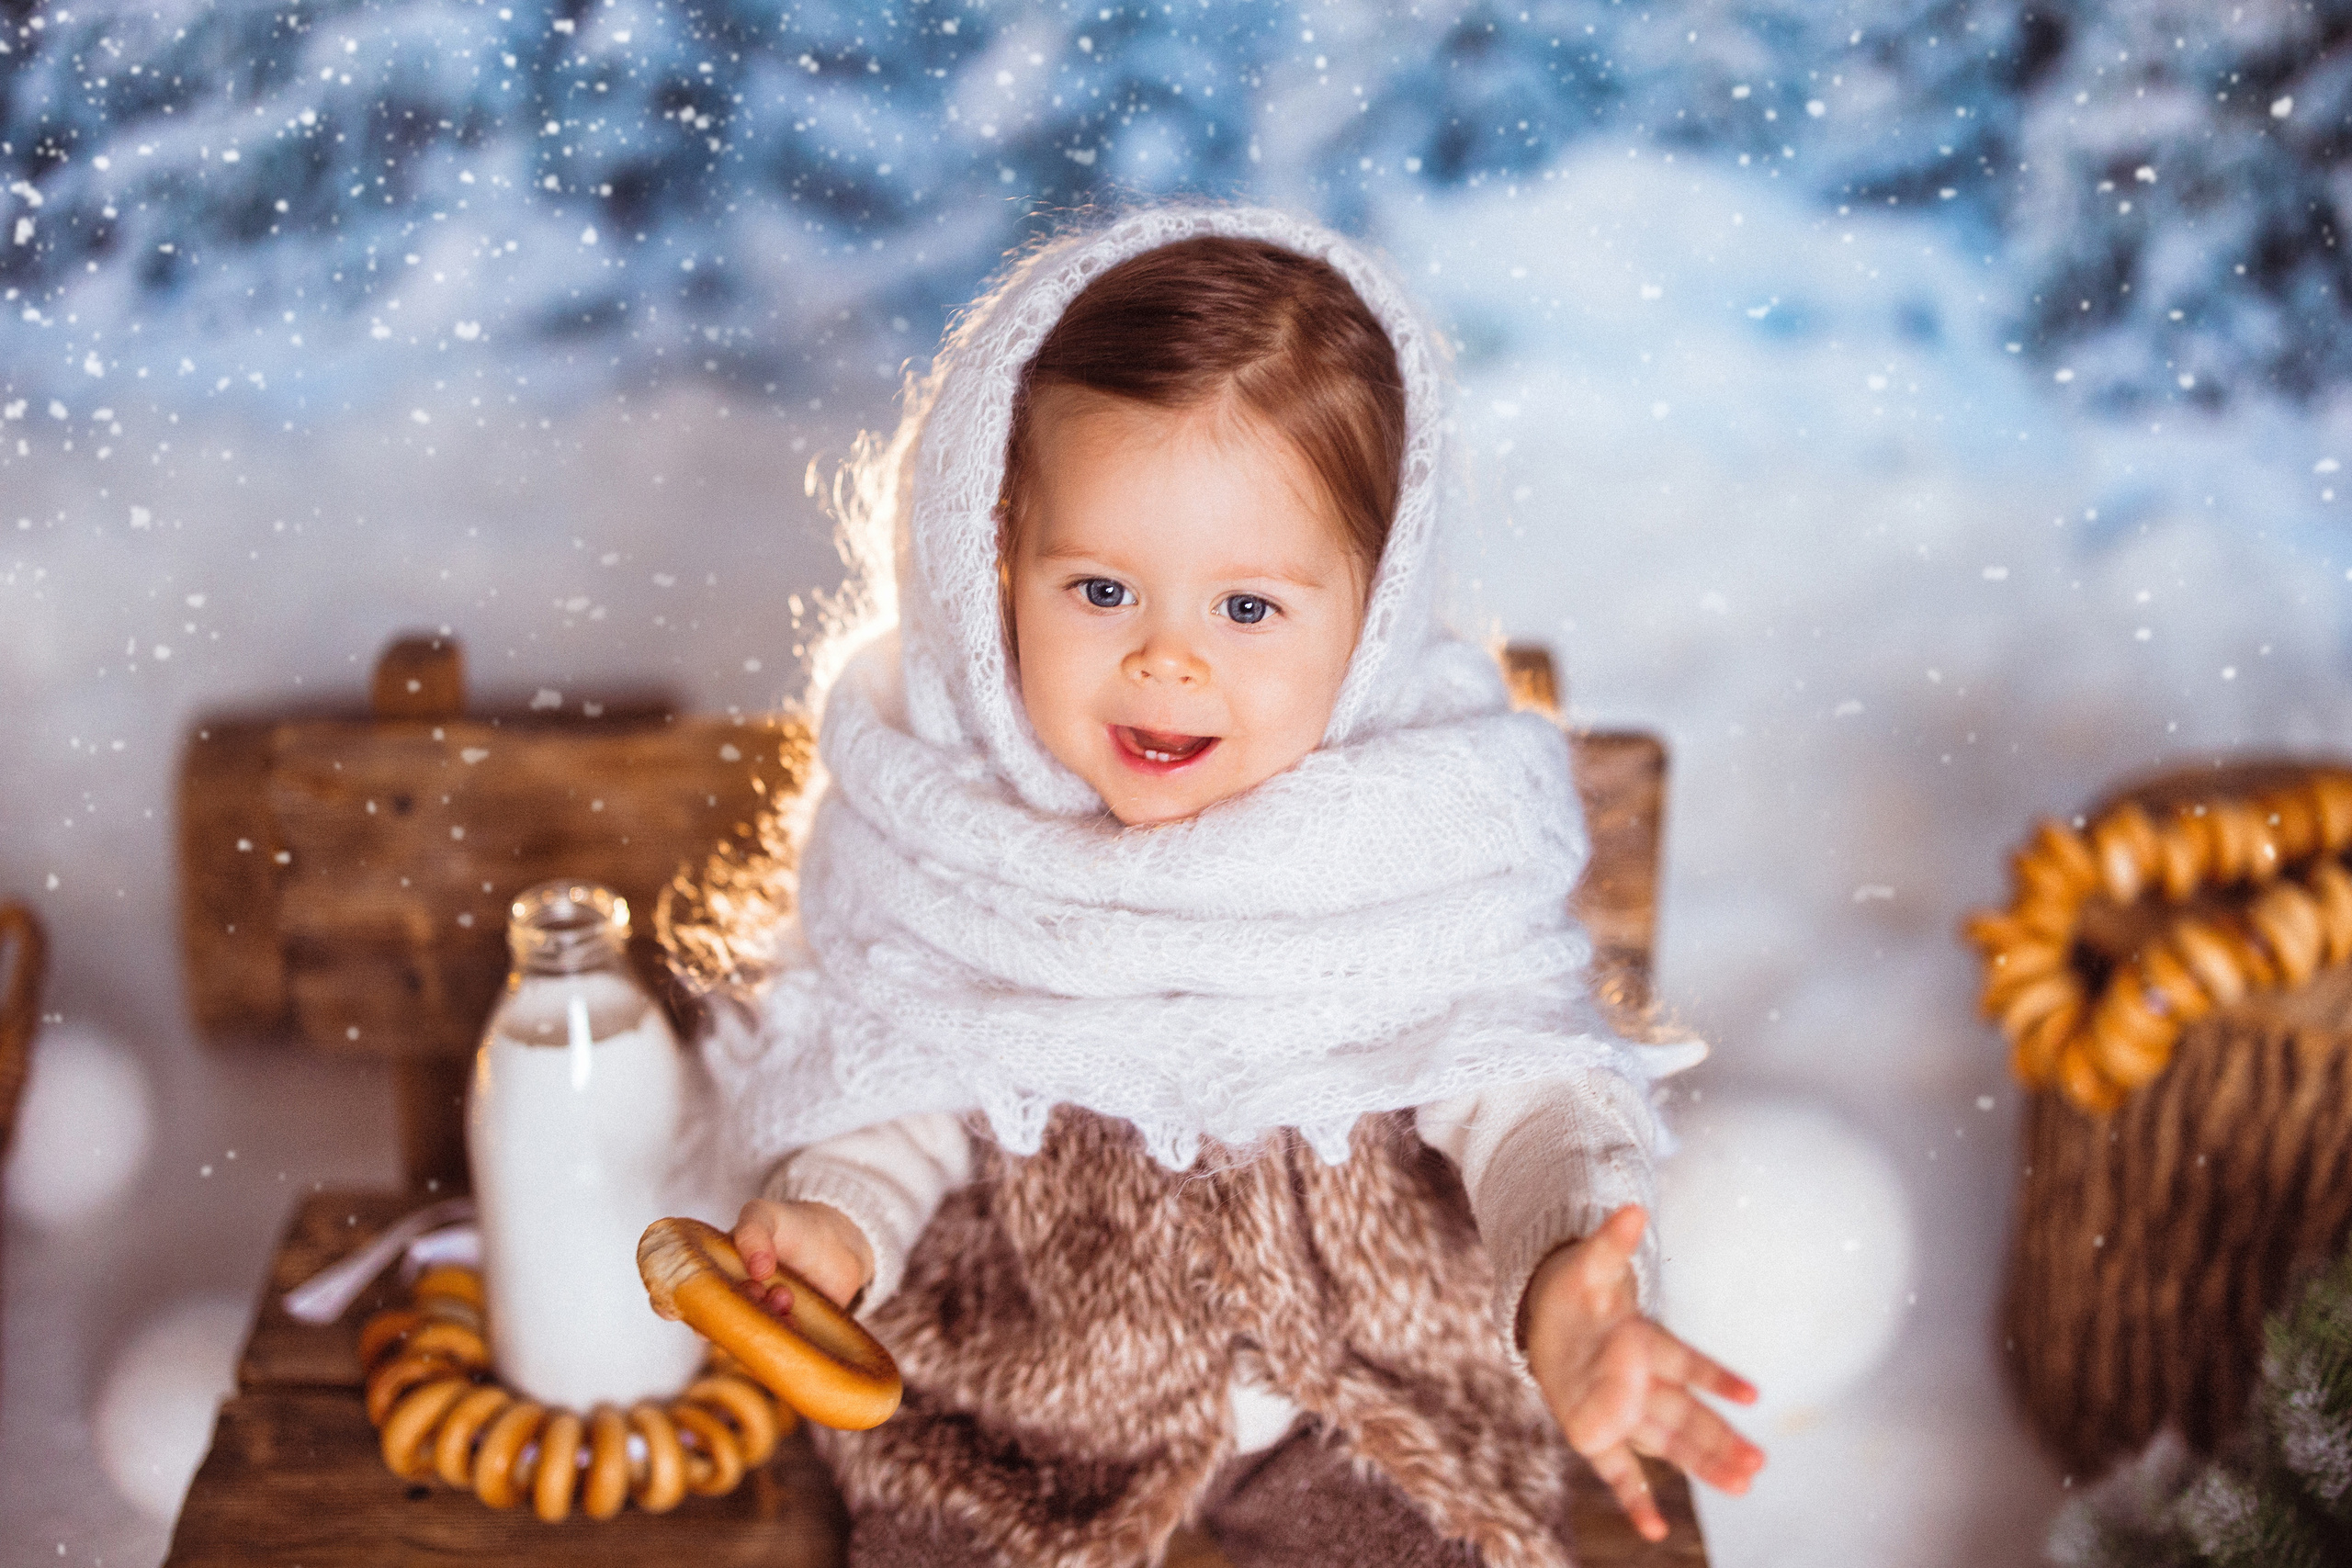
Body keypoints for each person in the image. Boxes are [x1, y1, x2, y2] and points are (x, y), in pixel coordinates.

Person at [694, 204, 1764, 1568]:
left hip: (1376, 1389)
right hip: (1036, 1390)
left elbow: (1525, 1092)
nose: (1168, 662)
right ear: (992, 565)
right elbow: (897, 1086)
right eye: (1098, 591)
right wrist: (832, 1222)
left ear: (1370, 612)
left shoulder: (1427, 831)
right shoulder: (939, 825)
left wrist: (1567, 1282)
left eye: (1248, 609)